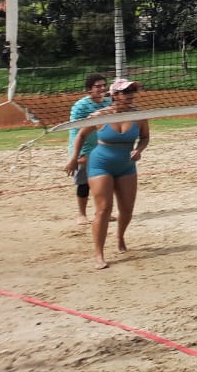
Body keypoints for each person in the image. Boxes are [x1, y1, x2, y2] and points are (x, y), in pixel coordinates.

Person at [64, 78, 150, 270]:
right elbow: (81, 134)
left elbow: (145, 137)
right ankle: (99, 254)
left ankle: (119, 236)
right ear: (114, 95)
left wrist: (139, 150)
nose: (130, 95)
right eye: (125, 92)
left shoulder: (139, 115)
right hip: (100, 163)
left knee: (127, 209)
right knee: (104, 209)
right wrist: (73, 158)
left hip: (126, 165)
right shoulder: (101, 115)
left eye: (131, 91)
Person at [67, 73, 112, 225]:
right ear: (89, 90)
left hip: (101, 147)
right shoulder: (80, 106)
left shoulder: (108, 102)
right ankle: (81, 214)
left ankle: (102, 211)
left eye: (104, 85)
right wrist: (76, 156)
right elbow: (77, 130)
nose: (102, 88)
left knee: (104, 181)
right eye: (98, 86)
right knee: (84, 183)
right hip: (83, 148)